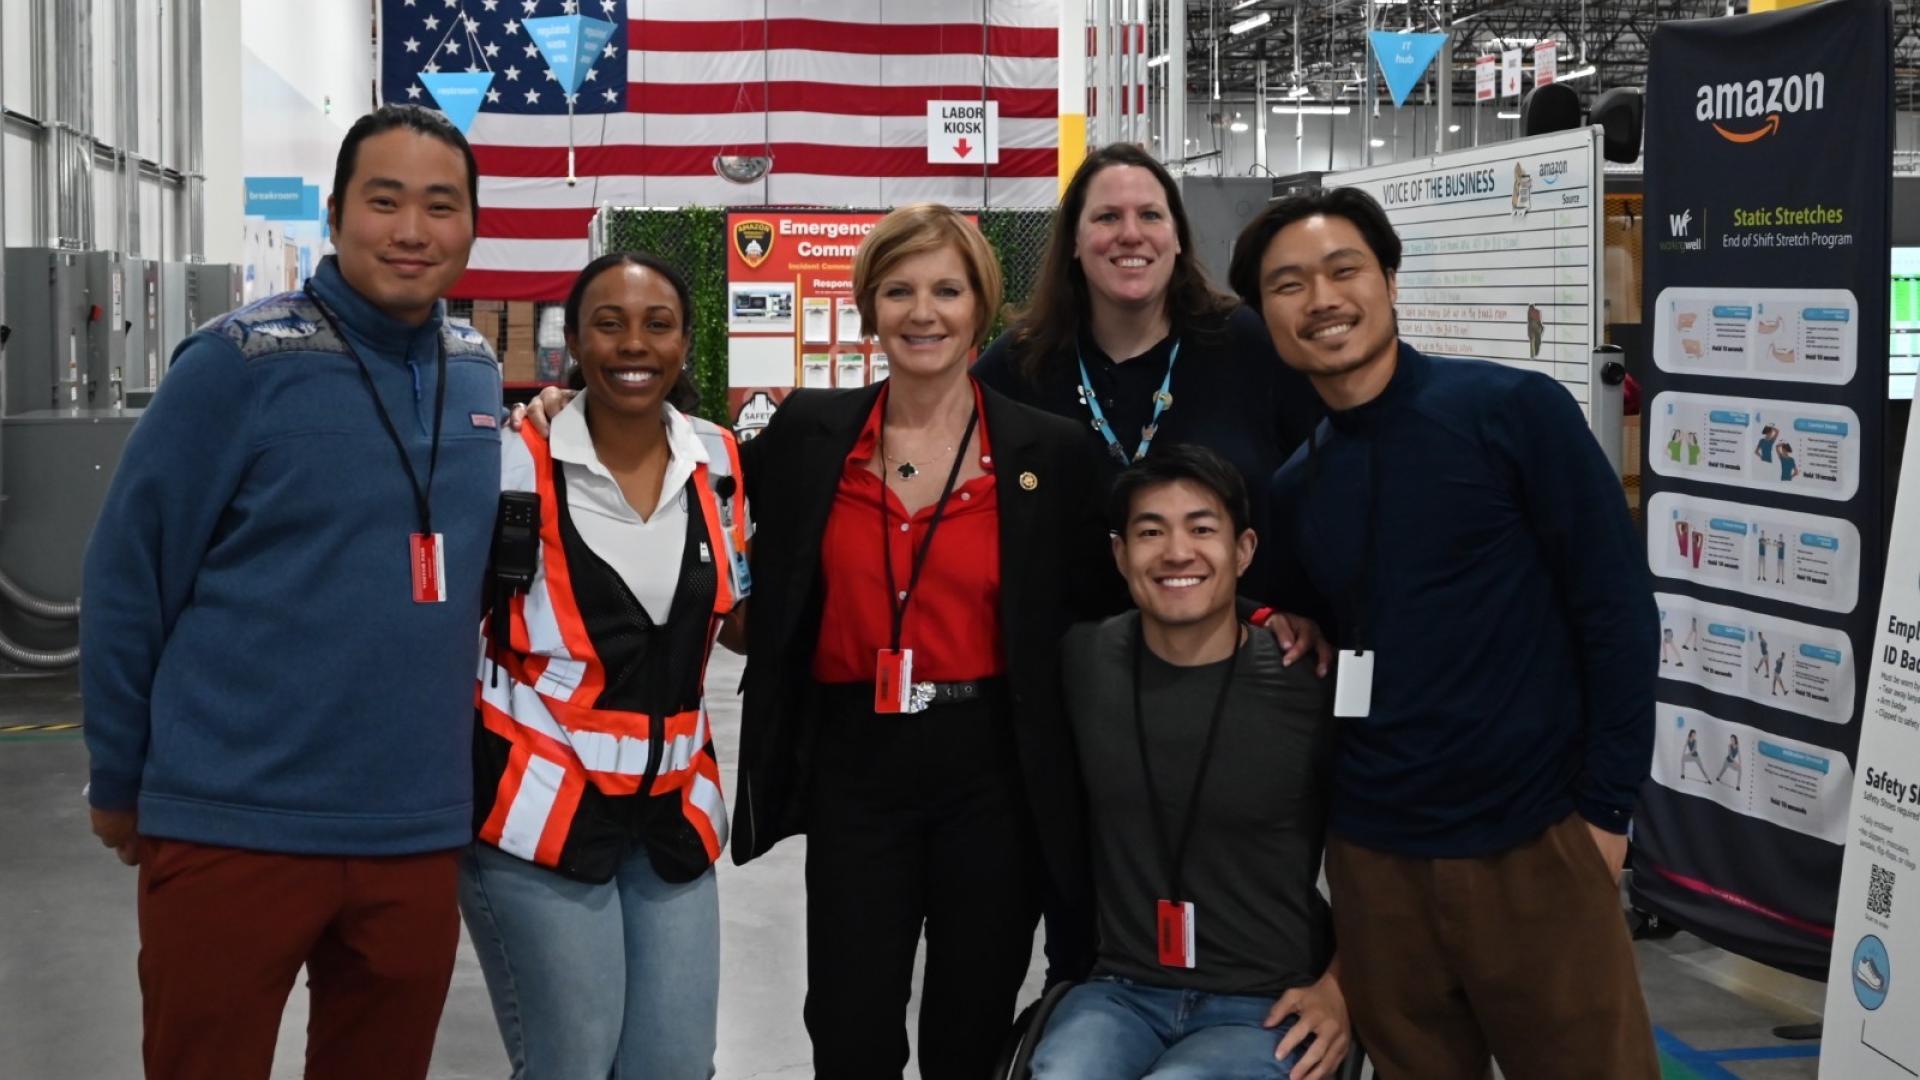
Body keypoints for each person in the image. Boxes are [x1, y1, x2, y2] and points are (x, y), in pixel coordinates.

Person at [80, 105, 501, 1080]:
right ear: (335, 211)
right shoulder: (235, 365)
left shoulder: (479, 377)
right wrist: (118, 775)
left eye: (440, 207)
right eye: (383, 201)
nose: (410, 231)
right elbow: (127, 573)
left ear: (473, 225)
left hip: (414, 828)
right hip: (234, 821)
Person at [1229, 186, 1660, 1080]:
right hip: (1378, 861)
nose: (1321, 299)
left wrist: (1607, 816)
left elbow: (1616, 610)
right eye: (1288, 285)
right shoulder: (1300, 485)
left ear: (1388, 280)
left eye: (1343, 270)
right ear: (1264, 316)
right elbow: (1300, 613)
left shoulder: (1513, 412)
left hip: (1536, 842)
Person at [731, 203, 1116, 1079]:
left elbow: (1125, 580)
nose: (923, 312)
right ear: (869, 308)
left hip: (992, 768)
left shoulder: (1047, 455)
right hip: (851, 764)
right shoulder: (809, 435)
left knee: (970, 1025)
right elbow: (692, 481)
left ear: (982, 307)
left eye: (947, 290)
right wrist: (568, 414)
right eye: (898, 290)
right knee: (849, 1018)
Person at [459, 253, 749, 1079]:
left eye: (657, 324)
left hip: (670, 815)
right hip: (537, 810)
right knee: (574, 1062)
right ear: (575, 342)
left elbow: (737, 618)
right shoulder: (513, 461)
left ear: (686, 343)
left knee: (675, 1063)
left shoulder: (720, 461)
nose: (634, 344)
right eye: (608, 323)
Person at [1031, 445, 1349, 1080]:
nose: (1178, 552)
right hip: (1119, 990)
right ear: (1121, 554)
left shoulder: (1309, 681)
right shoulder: (1082, 662)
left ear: (1244, 550)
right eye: (1152, 532)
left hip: (1265, 1000)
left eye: (1202, 529)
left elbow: (1379, 847)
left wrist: (1344, 984)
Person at [972, 143, 1325, 644]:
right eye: (1107, 217)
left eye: (1150, 215)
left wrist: (1298, 609)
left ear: (1178, 237)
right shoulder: (1019, 364)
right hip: (1060, 666)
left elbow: (1320, 486)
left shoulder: (1248, 343)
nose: (1130, 234)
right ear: (1074, 241)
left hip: (1233, 660)